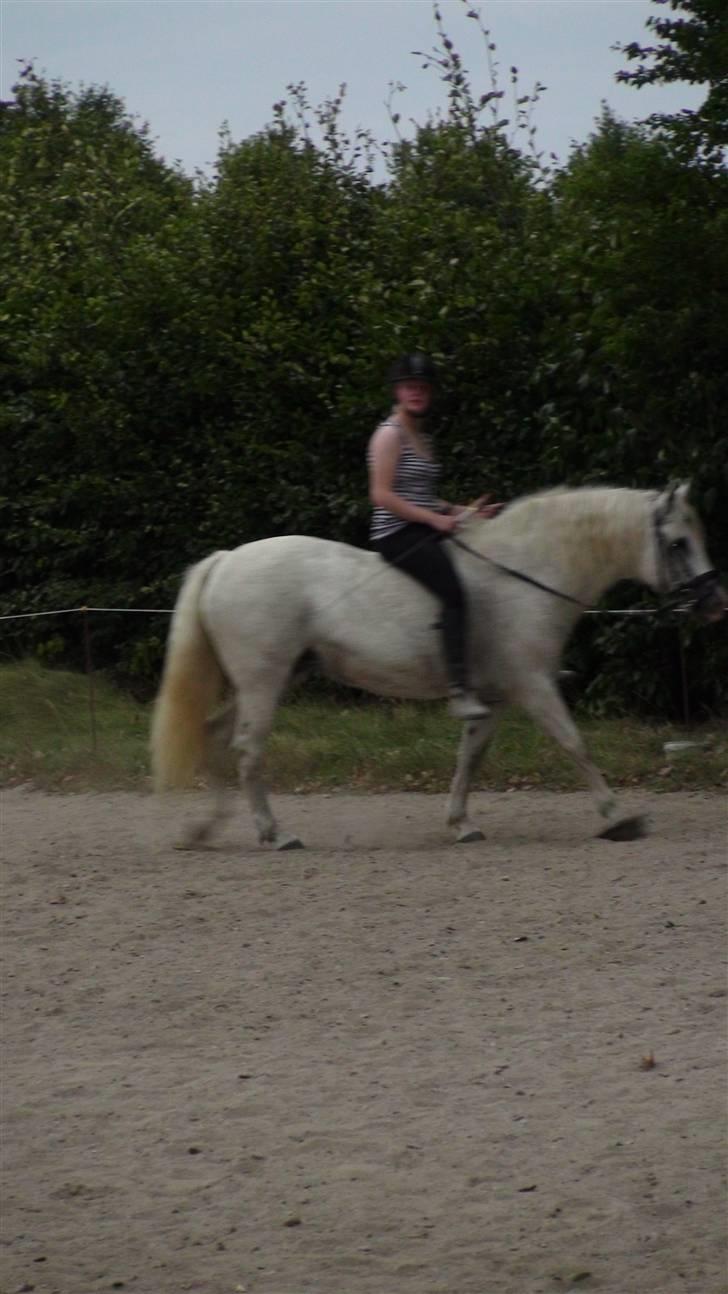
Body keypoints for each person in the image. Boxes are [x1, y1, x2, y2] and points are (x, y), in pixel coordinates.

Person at [367, 352, 500, 721]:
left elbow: (424, 497)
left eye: (423, 388)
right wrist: (434, 520)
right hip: (395, 533)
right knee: (455, 592)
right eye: (411, 387)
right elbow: (382, 495)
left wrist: (464, 513)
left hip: (421, 525)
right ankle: (458, 690)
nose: (417, 393)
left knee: (484, 572)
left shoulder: (421, 438)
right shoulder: (389, 435)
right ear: (398, 391)